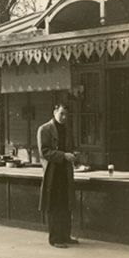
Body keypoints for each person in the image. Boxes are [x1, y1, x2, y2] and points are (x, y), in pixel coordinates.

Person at [37, 103, 79, 248]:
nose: (64, 117)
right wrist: (64, 155)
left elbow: (71, 148)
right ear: (54, 112)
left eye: (66, 115)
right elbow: (44, 152)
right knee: (55, 206)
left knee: (66, 205)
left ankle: (65, 236)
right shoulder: (44, 129)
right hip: (53, 174)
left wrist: (74, 154)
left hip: (65, 173)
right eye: (61, 113)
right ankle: (55, 239)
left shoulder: (67, 130)